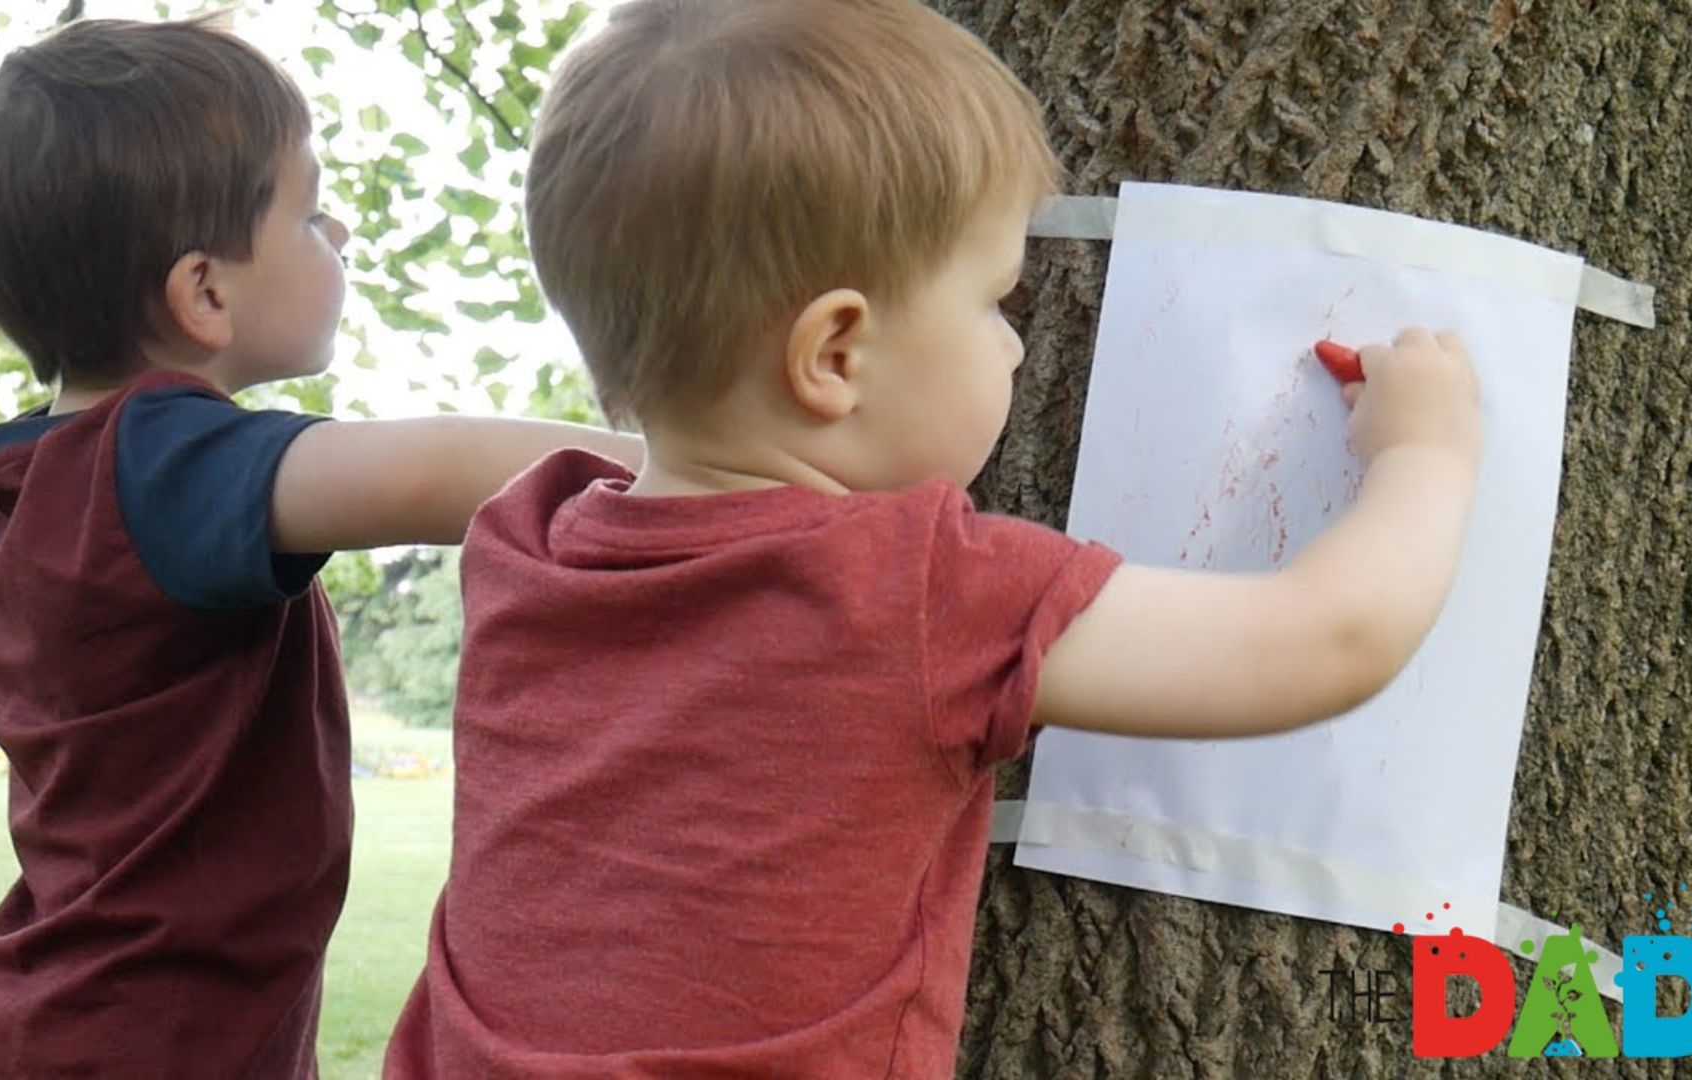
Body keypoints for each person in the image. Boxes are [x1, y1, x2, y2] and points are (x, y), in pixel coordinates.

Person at [387, 1, 1479, 1075]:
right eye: (996, 300)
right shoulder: (909, 587)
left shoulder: (525, 549)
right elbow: (1327, 639)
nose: (1013, 349)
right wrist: (1426, 453)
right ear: (836, 357)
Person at [0, 16, 641, 1077]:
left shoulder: (35, 488)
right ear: (204, 293)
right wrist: (691, 457)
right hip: (147, 1048)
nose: (339, 234)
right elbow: (432, 471)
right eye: (308, 214)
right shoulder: (151, 470)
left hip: (100, 1025)